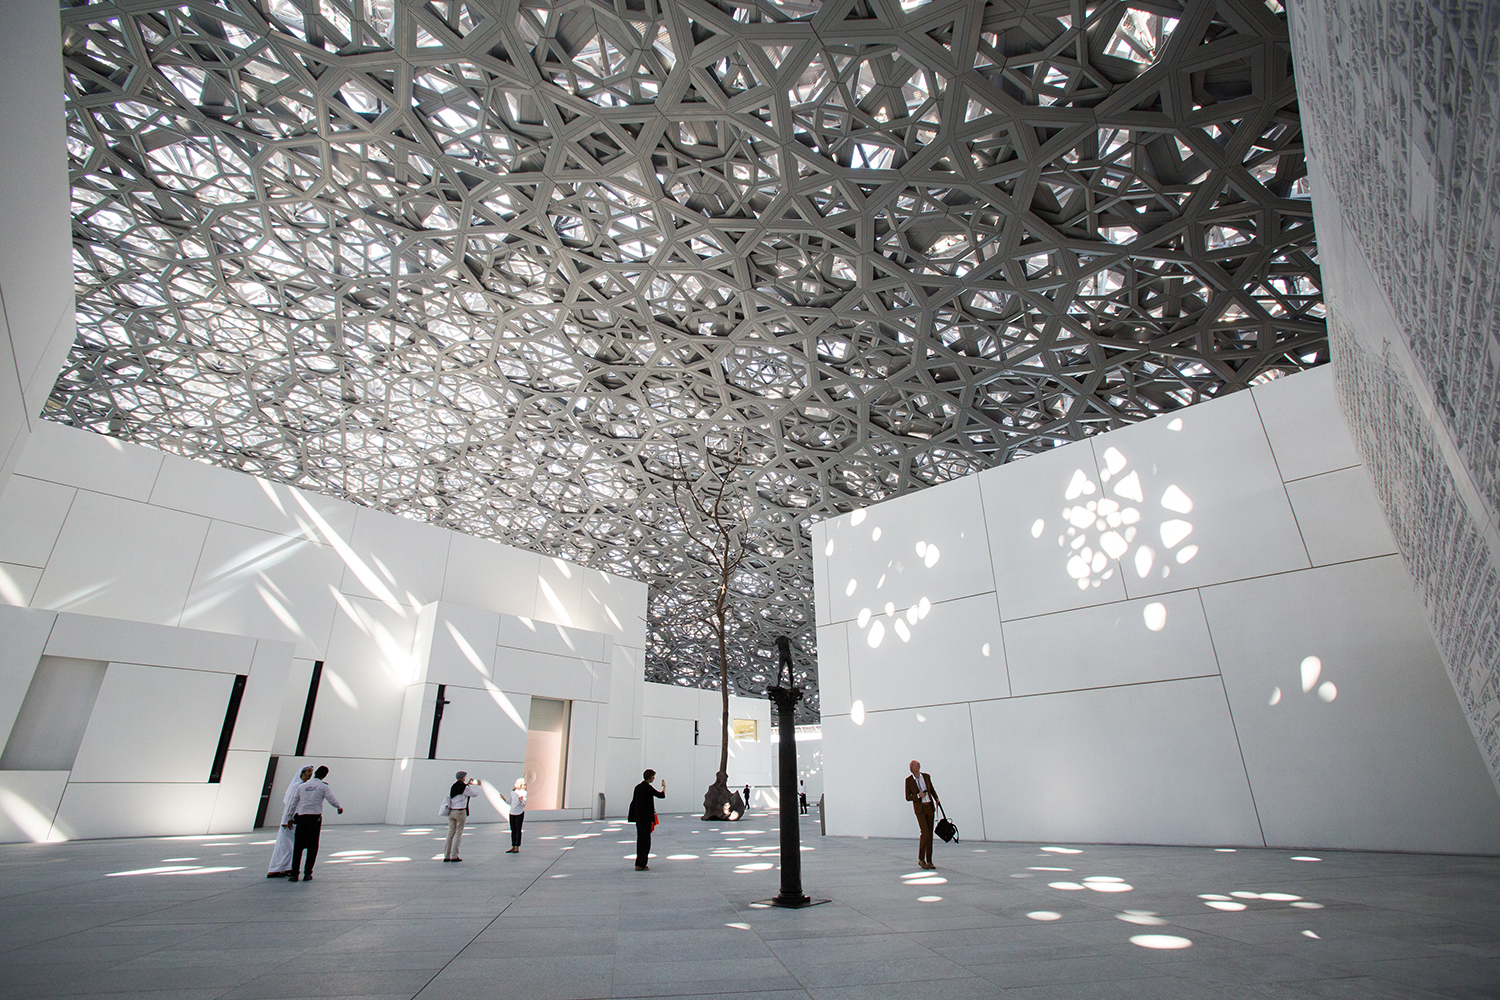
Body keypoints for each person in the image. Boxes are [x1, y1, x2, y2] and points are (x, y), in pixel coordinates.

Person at [283, 764, 342, 881]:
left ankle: (295, 873)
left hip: (302, 818)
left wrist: (289, 817)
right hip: (314, 819)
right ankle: (308, 873)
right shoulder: (323, 787)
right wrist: (339, 807)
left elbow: (293, 803)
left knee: (298, 846)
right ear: (324, 776)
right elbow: (331, 799)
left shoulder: (302, 786)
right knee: (313, 846)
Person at [266, 765, 314, 877]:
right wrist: (287, 819)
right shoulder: (296, 786)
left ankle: (286, 868)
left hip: (296, 820)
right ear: (302, 773)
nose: (310, 774)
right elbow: (290, 805)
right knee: (284, 846)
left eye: (311, 772)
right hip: (289, 822)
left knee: (292, 846)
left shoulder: (303, 786)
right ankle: (276, 868)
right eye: (308, 772)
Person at [627, 768, 665, 871]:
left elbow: (634, 802)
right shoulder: (648, 788)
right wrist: (664, 787)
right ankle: (641, 864)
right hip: (646, 819)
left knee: (640, 840)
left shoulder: (638, 787)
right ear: (650, 777)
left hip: (639, 819)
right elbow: (661, 795)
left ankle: (639, 863)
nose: (654, 778)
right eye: (653, 776)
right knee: (646, 842)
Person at [904, 760, 940, 869]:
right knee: (925, 833)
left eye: (912, 766)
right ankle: (921, 859)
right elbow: (907, 797)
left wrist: (937, 799)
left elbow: (931, 789)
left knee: (930, 834)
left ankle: (929, 860)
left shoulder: (926, 777)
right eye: (910, 766)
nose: (910, 768)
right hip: (920, 809)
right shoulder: (909, 780)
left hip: (929, 806)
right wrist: (918, 796)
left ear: (918, 767)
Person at [442, 771, 481, 862]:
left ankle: (446, 855)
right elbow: (474, 794)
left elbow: (460, 792)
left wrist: (467, 784)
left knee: (450, 833)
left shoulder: (453, 786)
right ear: (463, 777)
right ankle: (454, 855)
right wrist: (479, 785)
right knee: (458, 833)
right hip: (460, 811)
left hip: (451, 811)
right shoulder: (464, 787)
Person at [505, 778, 527, 853]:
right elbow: (511, 802)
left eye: (517, 783)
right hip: (512, 812)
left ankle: (517, 846)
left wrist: (521, 801)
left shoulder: (523, 793)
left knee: (518, 830)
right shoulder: (513, 792)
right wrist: (504, 800)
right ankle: (513, 845)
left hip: (519, 813)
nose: (515, 784)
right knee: (512, 830)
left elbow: (524, 804)